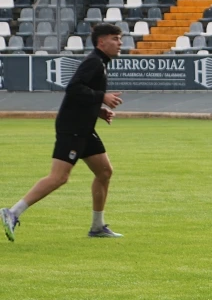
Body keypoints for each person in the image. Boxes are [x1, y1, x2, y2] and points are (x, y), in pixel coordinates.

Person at [2, 23, 124, 241]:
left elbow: (82, 95)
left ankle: (97, 227)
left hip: (84, 127)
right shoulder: (94, 62)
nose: (120, 42)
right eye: (115, 38)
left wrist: (99, 111)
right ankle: (12, 212)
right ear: (101, 42)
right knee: (59, 177)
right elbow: (74, 88)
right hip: (73, 128)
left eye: (119, 38)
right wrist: (101, 97)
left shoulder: (101, 63)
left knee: (104, 172)